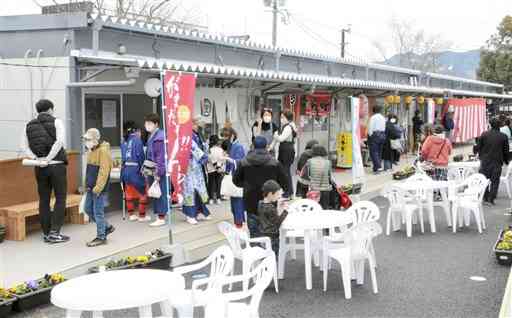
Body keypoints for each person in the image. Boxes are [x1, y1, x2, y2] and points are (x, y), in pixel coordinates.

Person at [24, 99, 69, 244]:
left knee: (44, 199)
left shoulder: (28, 125)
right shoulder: (57, 122)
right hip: (56, 165)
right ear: (50, 109)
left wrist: (37, 158)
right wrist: (49, 158)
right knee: (60, 198)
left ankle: (46, 233)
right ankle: (55, 233)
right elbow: (60, 142)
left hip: (39, 166)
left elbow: (24, 146)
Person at [233, 136, 288, 237]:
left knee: (254, 234)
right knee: (271, 232)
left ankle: (256, 250)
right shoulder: (274, 162)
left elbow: (235, 180)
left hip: (250, 202)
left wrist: (246, 185)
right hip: (270, 202)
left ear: (253, 146)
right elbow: (284, 182)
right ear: (266, 146)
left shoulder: (243, 162)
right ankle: (271, 251)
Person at [82, 128, 115, 247]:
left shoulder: (103, 151)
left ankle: (101, 236)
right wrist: (86, 185)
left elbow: (104, 171)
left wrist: (98, 187)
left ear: (96, 140)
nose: (86, 141)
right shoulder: (91, 151)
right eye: (85, 139)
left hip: (98, 188)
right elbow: (89, 171)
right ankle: (106, 227)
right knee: (87, 209)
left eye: (88, 139)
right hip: (91, 187)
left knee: (98, 212)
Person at [182, 117, 211, 225]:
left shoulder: (197, 134)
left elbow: (201, 147)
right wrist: (203, 156)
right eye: (198, 124)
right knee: (190, 190)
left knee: (198, 189)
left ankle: (200, 211)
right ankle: (190, 214)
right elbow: (193, 148)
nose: (199, 126)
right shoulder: (187, 135)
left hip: (196, 165)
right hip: (189, 165)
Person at [475, 117, 510, 205]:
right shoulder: (503, 136)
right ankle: (491, 199)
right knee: (495, 181)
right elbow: (506, 151)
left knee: (483, 180)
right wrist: (506, 161)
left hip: (485, 161)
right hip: (497, 162)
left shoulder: (484, 134)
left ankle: (485, 197)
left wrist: (480, 155)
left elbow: (478, 147)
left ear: (490, 125)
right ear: (500, 126)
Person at [144, 113, 169, 227]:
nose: (147, 125)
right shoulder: (153, 135)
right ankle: (160, 215)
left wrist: (159, 173)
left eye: (149, 123)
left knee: (159, 192)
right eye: (146, 123)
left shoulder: (158, 137)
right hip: (152, 168)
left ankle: (161, 217)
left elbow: (160, 157)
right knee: (156, 192)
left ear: (156, 124)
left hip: (158, 169)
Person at [120, 121, 148, 222]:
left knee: (129, 193)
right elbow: (140, 156)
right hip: (135, 170)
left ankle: (131, 215)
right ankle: (142, 216)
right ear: (136, 131)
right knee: (143, 192)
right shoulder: (137, 140)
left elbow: (123, 158)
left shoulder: (124, 141)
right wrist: (143, 169)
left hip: (125, 170)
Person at [221, 127, 247, 228]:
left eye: (226, 137)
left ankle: (239, 223)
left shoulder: (238, 146)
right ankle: (240, 221)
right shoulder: (232, 146)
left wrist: (228, 159)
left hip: (237, 177)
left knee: (237, 201)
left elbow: (239, 162)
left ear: (232, 136)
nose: (224, 139)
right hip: (234, 176)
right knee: (236, 201)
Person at [257, 180, 289, 256]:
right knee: (274, 257)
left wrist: (278, 207)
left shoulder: (260, 203)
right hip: (272, 238)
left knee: (267, 257)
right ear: (270, 194)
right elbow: (277, 224)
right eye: (277, 194)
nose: (279, 197)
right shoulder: (271, 207)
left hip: (263, 235)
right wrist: (285, 211)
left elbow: (271, 219)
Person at [270, 109, 297, 198]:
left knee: (285, 172)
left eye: (282, 117)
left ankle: (288, 192)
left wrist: (275, 135)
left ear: (287, 118)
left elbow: (281, 138)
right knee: (285, 172)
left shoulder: (289, 127)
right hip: (285, 149)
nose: (281, 119)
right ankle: (290, 192)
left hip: (287, 150)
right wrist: (270, 147)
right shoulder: (286, 126)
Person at [300, 145, 333, 209]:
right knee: (324, 209)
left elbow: (304, 176)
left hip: (314, 190)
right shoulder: (328, 162)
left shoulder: (309, 161)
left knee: (314, 208)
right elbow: (330, 177)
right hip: (325, 191)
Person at [367, 105, 386, 174]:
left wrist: (370, 135)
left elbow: (370, 128)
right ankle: (376, 168)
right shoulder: (383, 118)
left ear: (373, 111)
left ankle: (378, 167)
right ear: (380, 110)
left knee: (373, 152)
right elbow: (384, 127)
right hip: (382, 135)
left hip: (375, 135)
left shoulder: (373, 117)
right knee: (379, 152)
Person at [206, 135, 225, 205]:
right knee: (218, 184)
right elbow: (222, 159)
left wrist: (215, 166)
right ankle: (218, 198)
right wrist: (219, 167)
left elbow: (209, 159)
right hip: (219, 169)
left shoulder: (209, 150)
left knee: (211, 184)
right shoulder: (220, 150)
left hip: (211, 169)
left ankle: (210, 198)